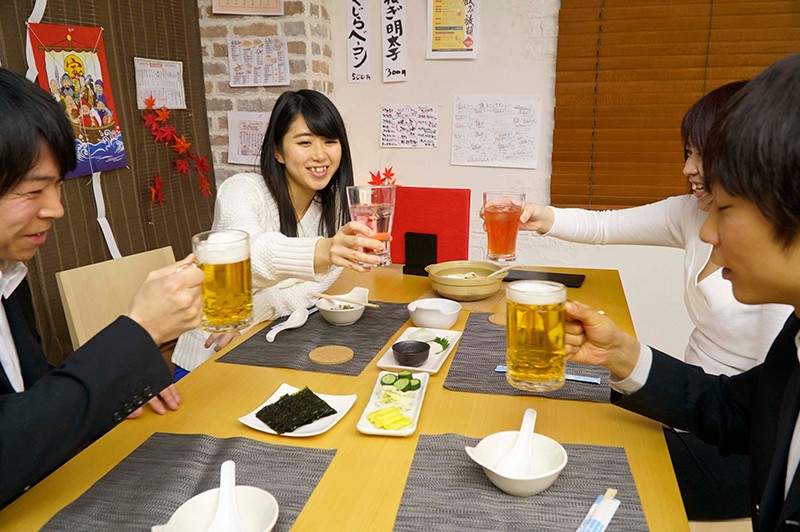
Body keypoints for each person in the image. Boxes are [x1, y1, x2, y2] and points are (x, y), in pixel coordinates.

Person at [491, 81, 793, 520]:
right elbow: (734, 406)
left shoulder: (782, 309)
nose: (688, 168)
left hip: (722, 443)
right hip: (702, 405)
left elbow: (757, 426)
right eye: (687, 153)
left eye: (701, 154)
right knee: (561, 422)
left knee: (575, 461)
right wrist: (621, 352)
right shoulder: (694, 214)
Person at [564, 53, 800, 531]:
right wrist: (621, 352)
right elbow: (736, 410)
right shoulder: (794, 340)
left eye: (726, 207)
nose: (707, 233)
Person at [0, 67, 205, 507]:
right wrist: (139, 335)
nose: (56, 209)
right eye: (33, 191)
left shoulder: (8, 273)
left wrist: (114, 383)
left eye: (57, 186)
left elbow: (28, 393)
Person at [171, 89, 384, 375]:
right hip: (208, 355)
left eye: (330, 141)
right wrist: (323, 250)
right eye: (305, 142)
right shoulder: (241, 190)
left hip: (266, 341)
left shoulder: (333, 212)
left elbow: (310, 291)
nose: (320, 155)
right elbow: (248, 255)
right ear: (278, 151)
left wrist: (257, 309)